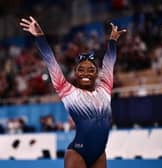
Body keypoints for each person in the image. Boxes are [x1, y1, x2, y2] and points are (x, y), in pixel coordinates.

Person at [20, 16, 126, 168]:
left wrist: (112, 41)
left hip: (100, 154)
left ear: (97, 74)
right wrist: (40, 37)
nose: (86, 73)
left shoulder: (105, 89)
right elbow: (51, 61)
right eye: (81, 70)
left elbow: (109, 61)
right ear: (75, 73)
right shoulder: (68, 91)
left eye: (91, 70)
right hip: (77, 153)